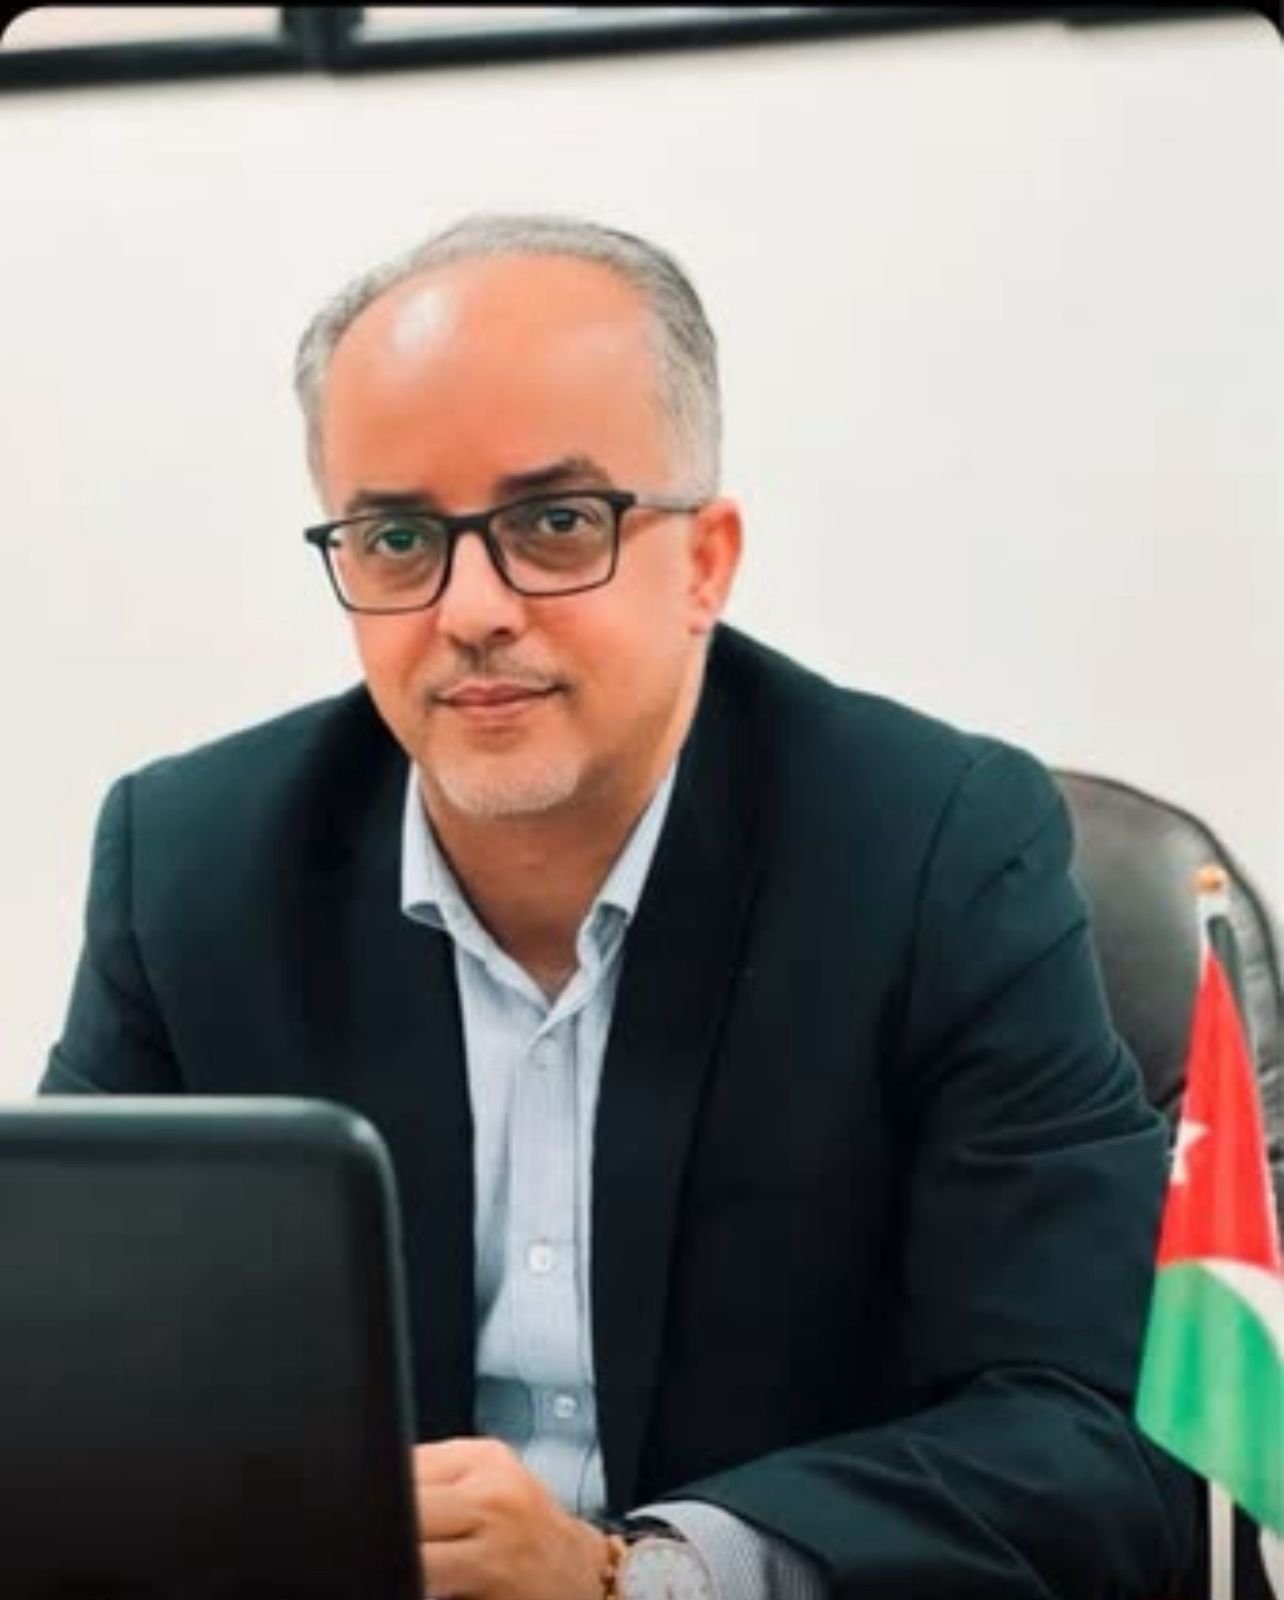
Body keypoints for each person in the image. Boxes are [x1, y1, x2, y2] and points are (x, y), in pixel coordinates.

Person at [44, 213, 1198, 1600]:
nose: (473, 608)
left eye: (554, 524)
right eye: (399, 537)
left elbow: (1090, 1437)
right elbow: (65, 1383)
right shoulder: (192, 865)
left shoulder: (936, 852)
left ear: (705, 561)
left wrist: (631, 1577)